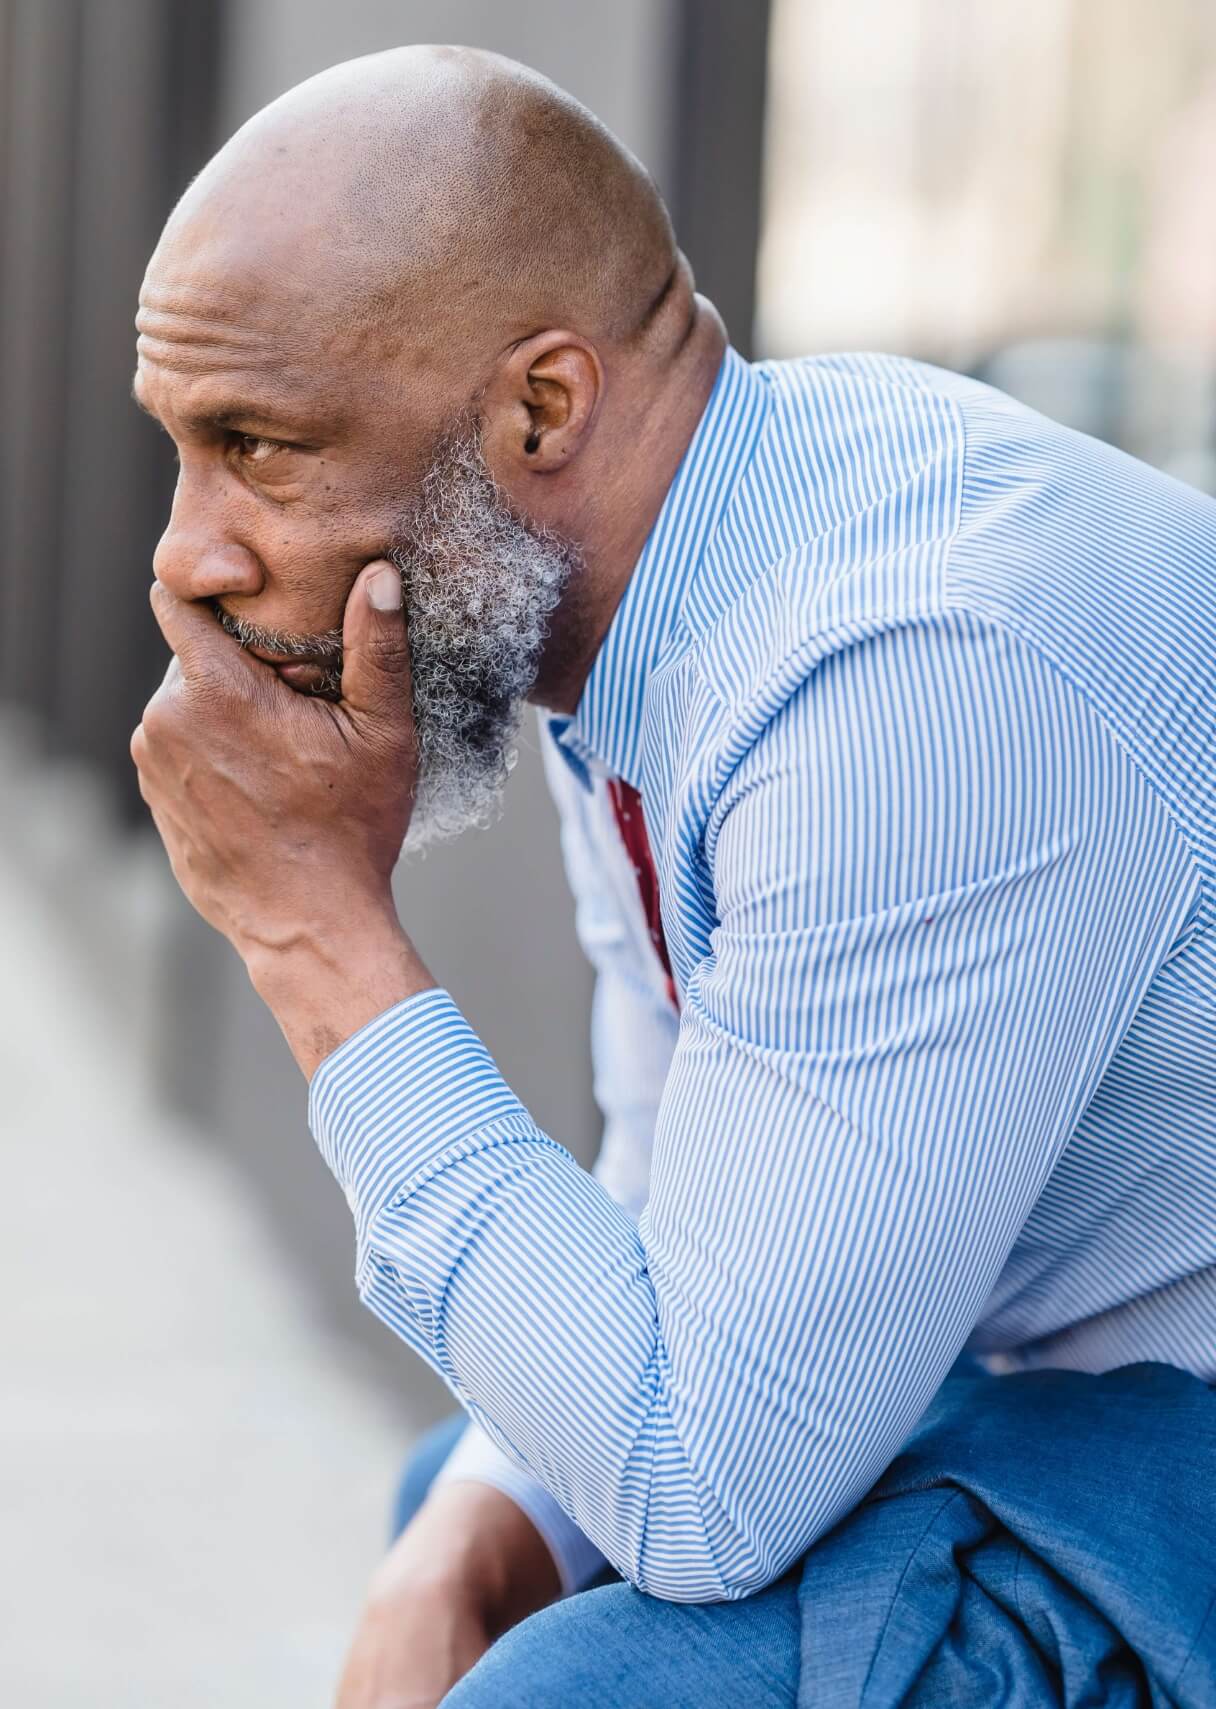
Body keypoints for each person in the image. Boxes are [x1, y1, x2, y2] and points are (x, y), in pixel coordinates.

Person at [129, 45, 1216, 1709]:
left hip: (1166, 1427)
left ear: (542, 409)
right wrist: (477, 1527)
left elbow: (700, 1478)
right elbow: (676, 1179)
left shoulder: (900, 679)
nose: (186, 555)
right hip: (1057, 1382)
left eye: (259, 447)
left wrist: (308, 925)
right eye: (183, 452)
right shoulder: (651, 605)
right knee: (472, 1513)